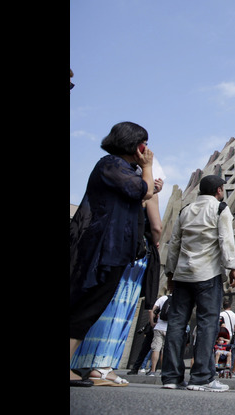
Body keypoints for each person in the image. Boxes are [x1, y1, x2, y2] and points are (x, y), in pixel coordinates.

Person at [70, 122, 155, 386]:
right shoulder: (112, 164)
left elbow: (139, 195)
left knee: (91, 305)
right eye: (144, 143)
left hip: (112, 247)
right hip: (102, 247)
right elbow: (144, 191)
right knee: (86, 303)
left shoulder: (122, 169)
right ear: (133, 144)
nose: (147, 149)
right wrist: (148, 169)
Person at [162, 175, 235, 392]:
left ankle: (171, 377)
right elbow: (226, 240)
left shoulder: (185, 210)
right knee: (207, 325)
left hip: (183, 276)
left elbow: (174, 243)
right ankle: (201, 378)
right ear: (218, 190)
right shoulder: (219, 209)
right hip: (208, 274)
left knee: (177, 324)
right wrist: (233, 267)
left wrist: (170, 272)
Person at [148, 289, 170, 376]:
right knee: (164, 350)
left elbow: (151, 311)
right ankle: (163, 371)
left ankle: (153, 370)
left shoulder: (163, 298)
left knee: (156, 349)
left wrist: (152, 322)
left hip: (159, 327)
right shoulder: (177, 299)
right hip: (169, 328)